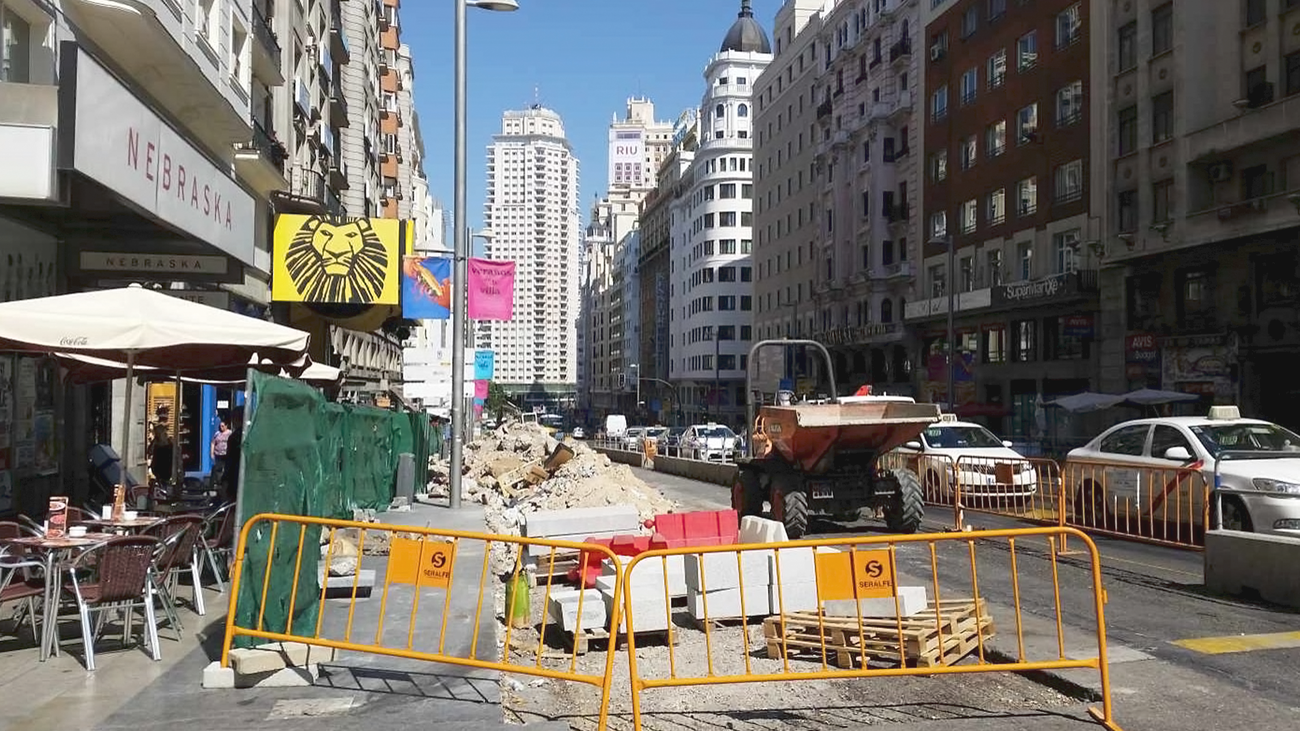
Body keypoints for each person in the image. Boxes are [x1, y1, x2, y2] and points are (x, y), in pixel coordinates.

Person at [149, 419, 174, 488]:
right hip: (161, 472)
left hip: (168, 471)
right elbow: (151, 453)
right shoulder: (156, 444)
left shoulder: (170, 443)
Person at [211, 419, 232, 496]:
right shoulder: (217, 434)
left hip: (226, 454)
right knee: (218, 469)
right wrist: (212, 453)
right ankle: (218, 482)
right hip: (218, 454)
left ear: (226, 426)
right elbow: (213, 443)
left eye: (223, 426)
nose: (221, 427)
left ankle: (225, 482)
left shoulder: (230, 433)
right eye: (220, 426)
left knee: (226, 468)